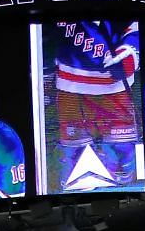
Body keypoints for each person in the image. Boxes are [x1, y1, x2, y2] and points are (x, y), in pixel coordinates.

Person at [51, 20, 139, 190]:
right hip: (70, 91)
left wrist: (130, 52)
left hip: (114, 91)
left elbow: (134, 24)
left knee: (123, 163)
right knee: (73, 169)